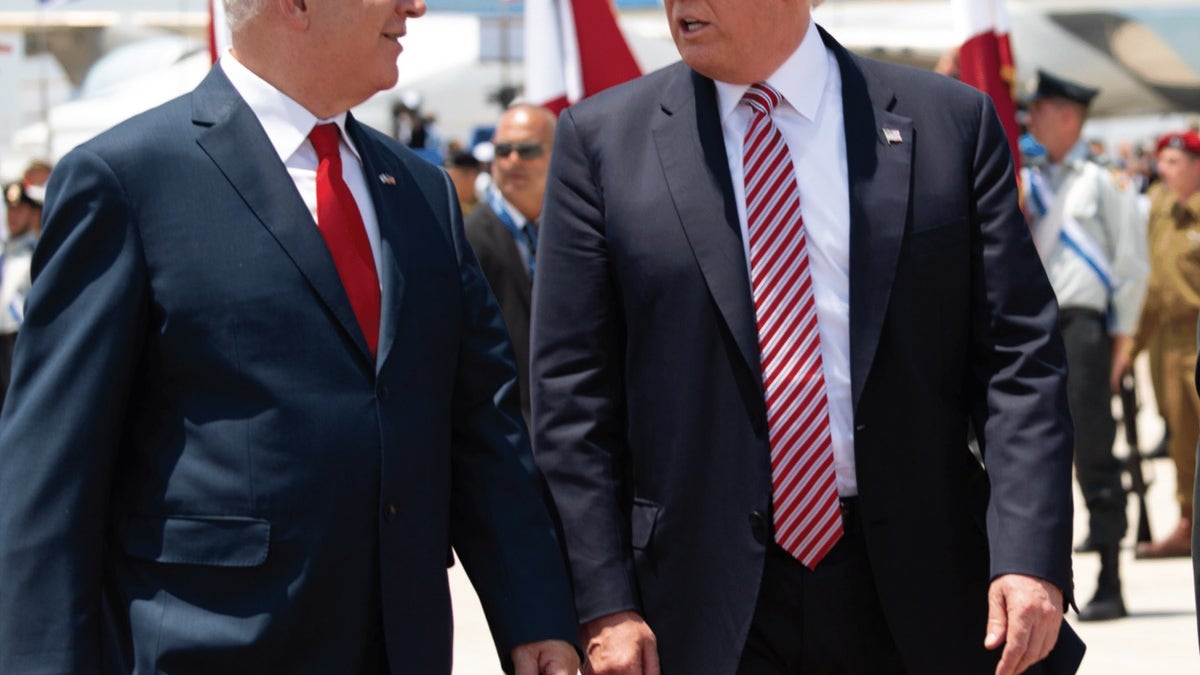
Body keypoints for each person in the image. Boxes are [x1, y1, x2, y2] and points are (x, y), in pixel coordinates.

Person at [0, 1, 580, 673]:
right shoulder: (126, 181)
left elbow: (483, 429)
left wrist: (537, 616)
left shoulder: (423, 193)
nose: (415, 5)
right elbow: (50, 481)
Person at [530, 1, 1084, 673]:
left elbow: (1017, 362)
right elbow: (573, 402)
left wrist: (1029, 556)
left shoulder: (949, 123)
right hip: (699, 607)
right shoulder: (602, 142)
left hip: (921, 590)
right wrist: (604, 601)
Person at [1023, 70, 1148, 621]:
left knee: (1096, 454)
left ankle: (1110, 580)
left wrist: (1121, 341)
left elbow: (1131, 264)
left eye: (1041, 109)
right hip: (1035, 327)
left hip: (1084, 329)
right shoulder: (1030, 181)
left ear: (1068, 116)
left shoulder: (1101, 182)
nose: (1031, 118)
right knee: (1035, 456)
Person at [1130, 130, 1200, 560]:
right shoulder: (1159, 207)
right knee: (1180, 434)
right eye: (1162, 161)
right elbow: (1150, 280)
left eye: (1174, 161)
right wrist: (1131, 348)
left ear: (1196, 165)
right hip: (1164, 338)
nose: (1163, 170)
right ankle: (1189, 521)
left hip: (1197, 332)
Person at [466, 104, 555, 428]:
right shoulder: (466, 237)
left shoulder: (578, 231)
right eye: (503, 150)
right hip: (500, 430)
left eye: (527, 150)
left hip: (565, 428)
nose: (512, 160)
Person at [0, 169, 48, 411]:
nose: (13, 216)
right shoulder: (5, 252)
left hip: (20, 340)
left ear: (33, 213)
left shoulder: (38, 254)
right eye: (10, 209)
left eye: (20, 210)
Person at [445, 147, 483, 216]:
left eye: (453, 181)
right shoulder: (444, 211)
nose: (447, 187)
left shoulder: (485, 213)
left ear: (472, 176)